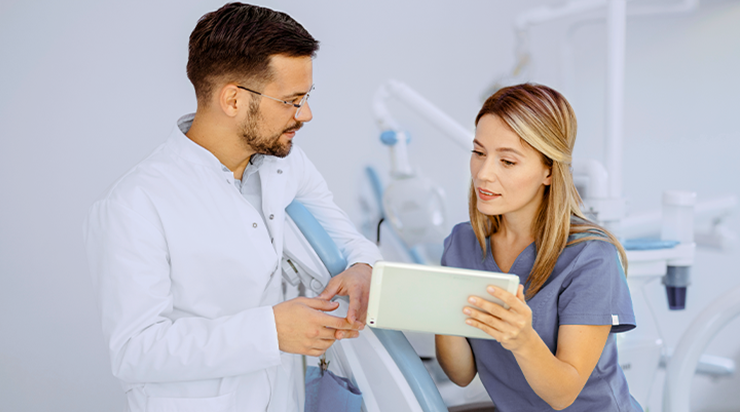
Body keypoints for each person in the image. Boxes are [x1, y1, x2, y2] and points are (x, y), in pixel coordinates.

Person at [83, 3, 382, 412]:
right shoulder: (134, 205)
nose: (307, 115)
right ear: (233, 99)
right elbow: (135, 351)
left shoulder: (286, 164)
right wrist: (270, 331)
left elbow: (346, 237)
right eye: (292, 100)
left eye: (306, 97)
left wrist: (363, 266)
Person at [435, 83, 642, 411]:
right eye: (479, 153)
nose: (484, 174)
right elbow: (461, 374)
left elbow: (563, 394)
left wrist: (522, 340)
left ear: (548, 170)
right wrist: (437, 311)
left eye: (507, 161)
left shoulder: (591, 258)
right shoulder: (462, 245)